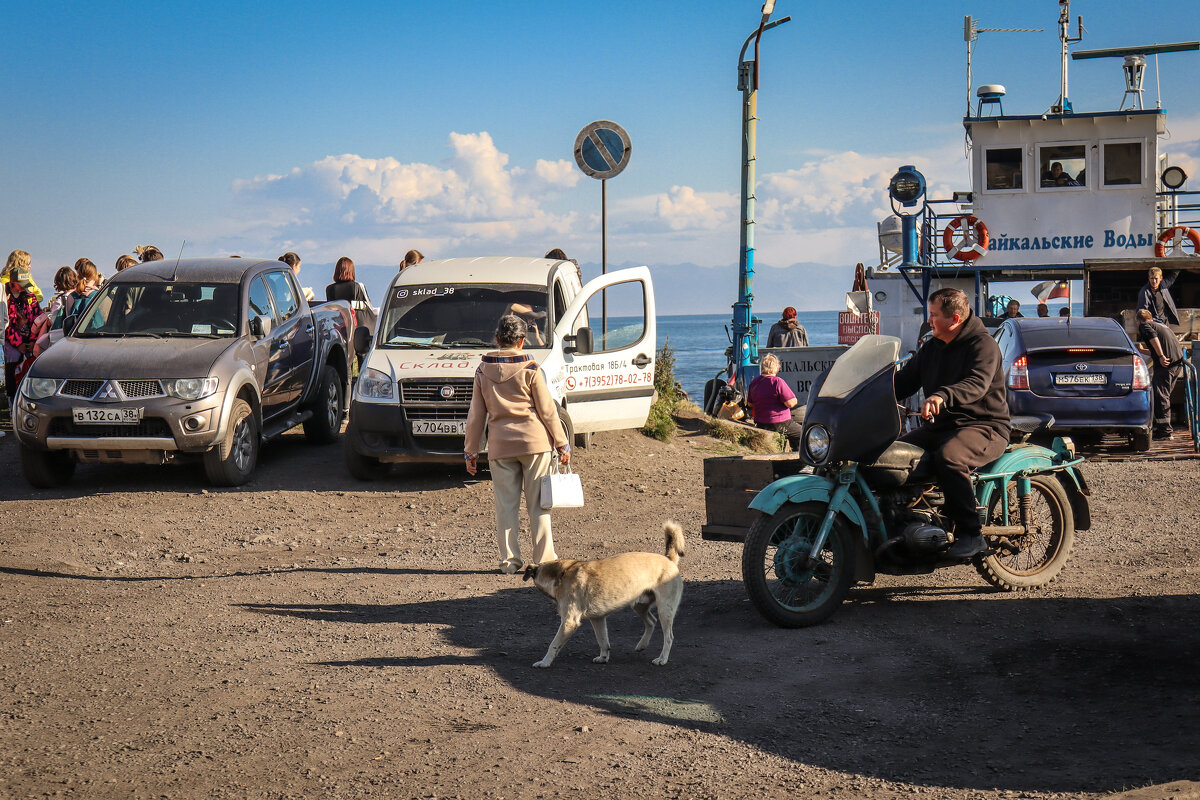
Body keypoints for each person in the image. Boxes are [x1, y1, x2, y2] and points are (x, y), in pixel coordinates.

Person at [894, 287, 1011, 560]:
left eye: (934, 315)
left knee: (949, 458)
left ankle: (972, 535)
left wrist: (942, 395)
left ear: (955, 319)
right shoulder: (933, 347)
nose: (929, 320)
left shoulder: (984, 346)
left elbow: (976, 384)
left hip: (984, 426)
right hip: (942, 427)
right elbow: (905, 381)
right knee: (890, 456)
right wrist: (863, 389)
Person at [464, 314, 570, 574]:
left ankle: (510, 562)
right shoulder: (531, 369)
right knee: (538, 504)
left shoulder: (482, 370)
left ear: (498, 339)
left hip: (500, 447)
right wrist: (562, 444)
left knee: (506, 506)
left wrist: (471, 451)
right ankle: (544, 560)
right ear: (522, 341)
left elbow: (476, 415)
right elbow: (547, 412)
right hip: (535, 445)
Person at [1136, 308, 1183, 440]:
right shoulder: (1161, 325)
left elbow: (1153, 339)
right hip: (1176, 363)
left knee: (1160, 395)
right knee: (1164, 395)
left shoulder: (1145, 326)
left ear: (1139, 321)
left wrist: (1161, 356)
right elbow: (1156, 349)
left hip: (1166, 364)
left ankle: (1165, 431)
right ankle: (1162, 427)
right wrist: (1143, 351)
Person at [747, 354, 803, 452]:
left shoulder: (754, 382)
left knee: (793, 431)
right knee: (803, 433)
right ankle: (798, 456)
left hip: (761, 422)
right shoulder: (777, 382)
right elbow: (790, 403)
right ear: (776, 367)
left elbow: (750, 404)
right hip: (779, 422)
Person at [5, 266, 42, 413]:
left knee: (30, 369)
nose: (24, 288)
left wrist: (33, 340)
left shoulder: (30, 296)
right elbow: (5, 324)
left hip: (30, 340)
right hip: (13, 343)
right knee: (12, 367)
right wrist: (18, 343)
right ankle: (12, 404)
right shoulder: (5, 298)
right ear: (12, 283)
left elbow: (37, 318)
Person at [325, 256, 375, 364]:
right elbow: (368, 305)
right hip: (358, 326)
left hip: (340, 326)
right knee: (362, 357)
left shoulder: (330, 289)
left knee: (345, 357)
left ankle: (347, 379)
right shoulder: (357, 286)